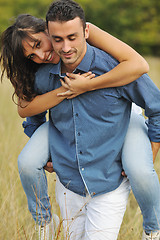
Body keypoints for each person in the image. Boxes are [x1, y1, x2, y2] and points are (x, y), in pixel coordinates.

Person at [0, 7, 159, 240]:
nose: (42, 55)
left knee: (141, 170)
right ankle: (44, 223)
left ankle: (153, 229)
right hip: (72, 178)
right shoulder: (43, 74)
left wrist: (88, 85)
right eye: (32, 55)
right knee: (27, 161)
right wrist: (48, 153)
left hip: (124, 115)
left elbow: (140, 68)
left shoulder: (103, 53)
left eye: (38, 45)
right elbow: (29, 110)